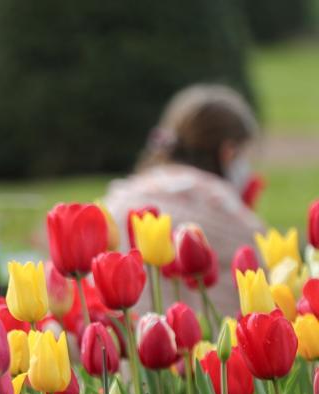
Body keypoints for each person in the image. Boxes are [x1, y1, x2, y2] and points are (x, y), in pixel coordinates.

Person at [104, 84, 263, 315]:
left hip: (121, 345)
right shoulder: (229, 214)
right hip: (213, 346)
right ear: (228, 153)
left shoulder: (117, 201)